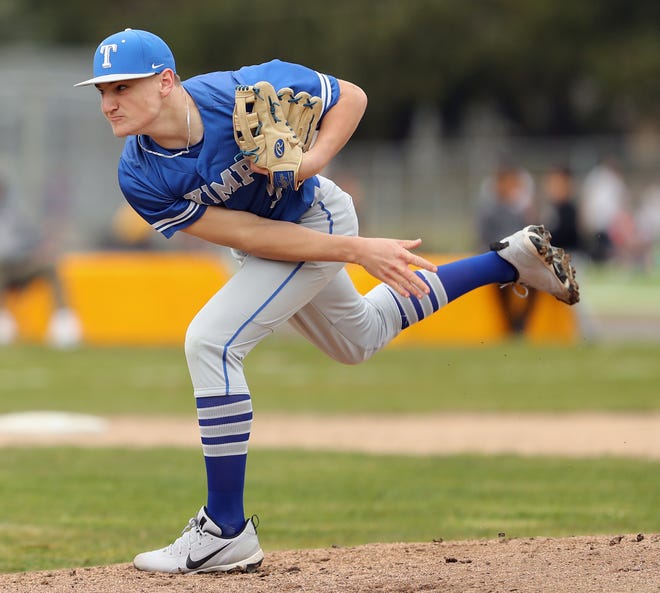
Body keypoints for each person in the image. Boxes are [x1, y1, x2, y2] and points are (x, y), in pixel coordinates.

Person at [75, 28, 579, 575]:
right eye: (102, 90)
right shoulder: (139, 174)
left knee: (211, 341)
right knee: (358, 339)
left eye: (122, 87)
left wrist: (309, 163)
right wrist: (355, 252)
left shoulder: (239, 93)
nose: (108, 103)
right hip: (280, 241)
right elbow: (248, 235)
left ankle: (225, 529)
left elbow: (352, 97)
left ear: (166, 82)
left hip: (318, 214)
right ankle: (509, 262)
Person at [0, 174, 81, 347]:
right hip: (2, 269)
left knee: (50, 267)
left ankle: (63, 321)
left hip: (21, 264)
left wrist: (42, 249)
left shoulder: (15, 215)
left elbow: (32, 239)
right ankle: (3, 321)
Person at [475, 165, 538, 334]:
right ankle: (510, 323)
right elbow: (483, 239)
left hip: (520, 259)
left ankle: (520, 322)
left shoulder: (520, 209)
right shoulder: (489, 210)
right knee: (499, 283)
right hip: (499, 258)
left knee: (534, 282)